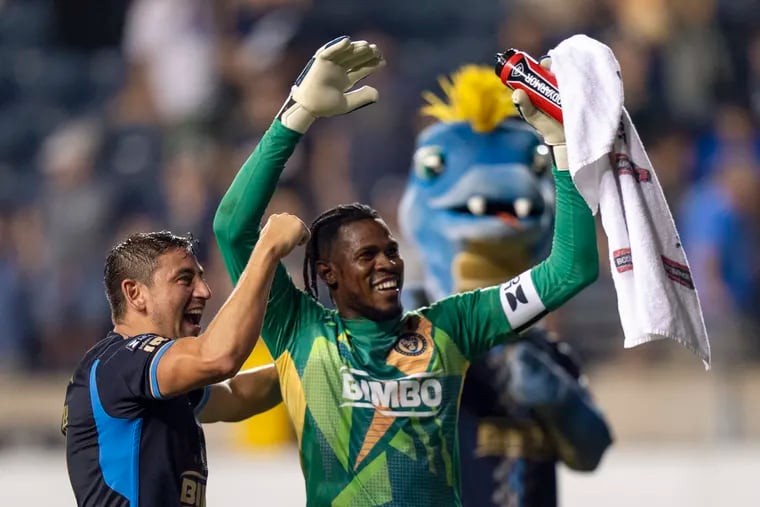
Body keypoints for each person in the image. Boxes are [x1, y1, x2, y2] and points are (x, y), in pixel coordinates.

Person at [213, 36, 599, 506]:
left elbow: (571, 270)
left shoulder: (453, 325)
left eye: (390, 250)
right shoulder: (300, 331)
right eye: (367, 256)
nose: (387, 264)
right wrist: (296, 116)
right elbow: (232, 228)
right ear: (328, 273)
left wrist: (561, 148)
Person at [62, 213, 309, 507]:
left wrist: (315, 360)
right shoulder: (117, 363)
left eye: (201, 277)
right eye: (184, 279)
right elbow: (219, 357)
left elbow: (237, 395)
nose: (204, 291)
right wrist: (267, 249)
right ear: (135, 293)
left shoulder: (148, 378)